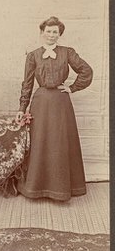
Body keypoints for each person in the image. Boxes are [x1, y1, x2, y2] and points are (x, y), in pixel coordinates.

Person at [16, 16, 93, 201]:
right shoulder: (33, 55)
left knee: (59, 142)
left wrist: (72, 88)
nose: (51, 35)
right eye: (48, 31)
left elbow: (86, 71)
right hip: (41, 103)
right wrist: (22, 107)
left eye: (55, 32)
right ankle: (37, 188)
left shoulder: (68, 52)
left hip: (60, 103)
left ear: (59, 34)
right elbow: (27, 84)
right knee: (41, 142)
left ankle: (62, 189)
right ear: (42, 33)